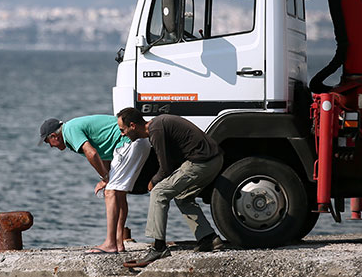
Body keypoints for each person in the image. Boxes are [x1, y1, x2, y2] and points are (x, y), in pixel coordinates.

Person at [116, 108, 225, 267]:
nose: (122, 134)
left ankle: (159, 247)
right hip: (213, 159)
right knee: (183, 197)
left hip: (202, 162)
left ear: (132, 125)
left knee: (159, 193)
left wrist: (153, 181)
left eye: (122, 129)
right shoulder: (158, 125)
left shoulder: (156, 130)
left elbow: (165, 168)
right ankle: (208, 238)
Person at [40, 115, 151, 253]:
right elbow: (103, 154)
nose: (50, 146)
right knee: (119, 194)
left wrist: (105, 178)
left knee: (111, 193)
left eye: (48, 142)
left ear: (54, 136)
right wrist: (107, 176)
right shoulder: (72, 128)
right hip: (137, 142)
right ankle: (118, 242)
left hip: (128, 142)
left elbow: (91, 153)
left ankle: (110, 243)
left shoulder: (69, 131)